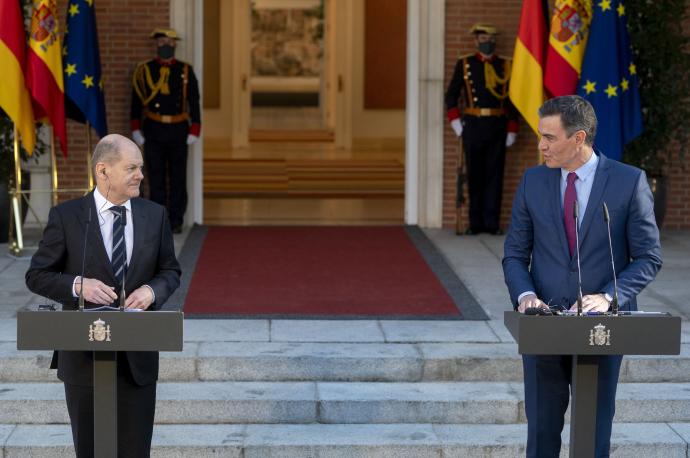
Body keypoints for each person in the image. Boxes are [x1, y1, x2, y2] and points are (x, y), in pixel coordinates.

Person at [502, 95, 662, 457]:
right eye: (540, 136)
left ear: (579, 138)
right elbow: (514, 253)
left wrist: (607, 295)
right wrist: (525, 295)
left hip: (602, 328)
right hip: (543, 326)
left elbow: (649, 257)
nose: (541, 145)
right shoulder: (533, 182)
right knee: (541, 433)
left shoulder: (628, 181)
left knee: (593, 434)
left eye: (550, 137)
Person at [26, 134, 181, 457]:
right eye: (131, 168)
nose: (140, 174)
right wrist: (77, 285)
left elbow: (170, 271)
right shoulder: (67, 217)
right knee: (91, 451)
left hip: (136, 360)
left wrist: (151, 291)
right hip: (83, 359)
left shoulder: (155, 215)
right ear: (103, 170)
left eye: (140, 168)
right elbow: (37, 275)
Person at [445, 23, 519, 235]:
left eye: (491, 39)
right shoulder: (465, 64)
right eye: (483, 39)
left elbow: (512, 101)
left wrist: (512, 128)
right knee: (475, 175)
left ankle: (492, 224)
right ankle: (475, 223)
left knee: (495, 176)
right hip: (473, 125)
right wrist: (456, 124)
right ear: (476, 41)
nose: (488, 43)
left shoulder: (506, 65)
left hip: (498, 126)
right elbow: (451, 96)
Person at [131, 27, 201, 234]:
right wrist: (136, 127)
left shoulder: (186, 70)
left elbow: (194, 101)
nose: (165, 46)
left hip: (179, 130)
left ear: (175, 45)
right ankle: (158, 221)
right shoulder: (144, 70)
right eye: (161, 42)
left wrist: (195, 128)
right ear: (156, 45)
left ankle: (176, 220)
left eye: (169, 43)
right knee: (156, 176)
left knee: (178, 177)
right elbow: (136, 102)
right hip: (153, 129)